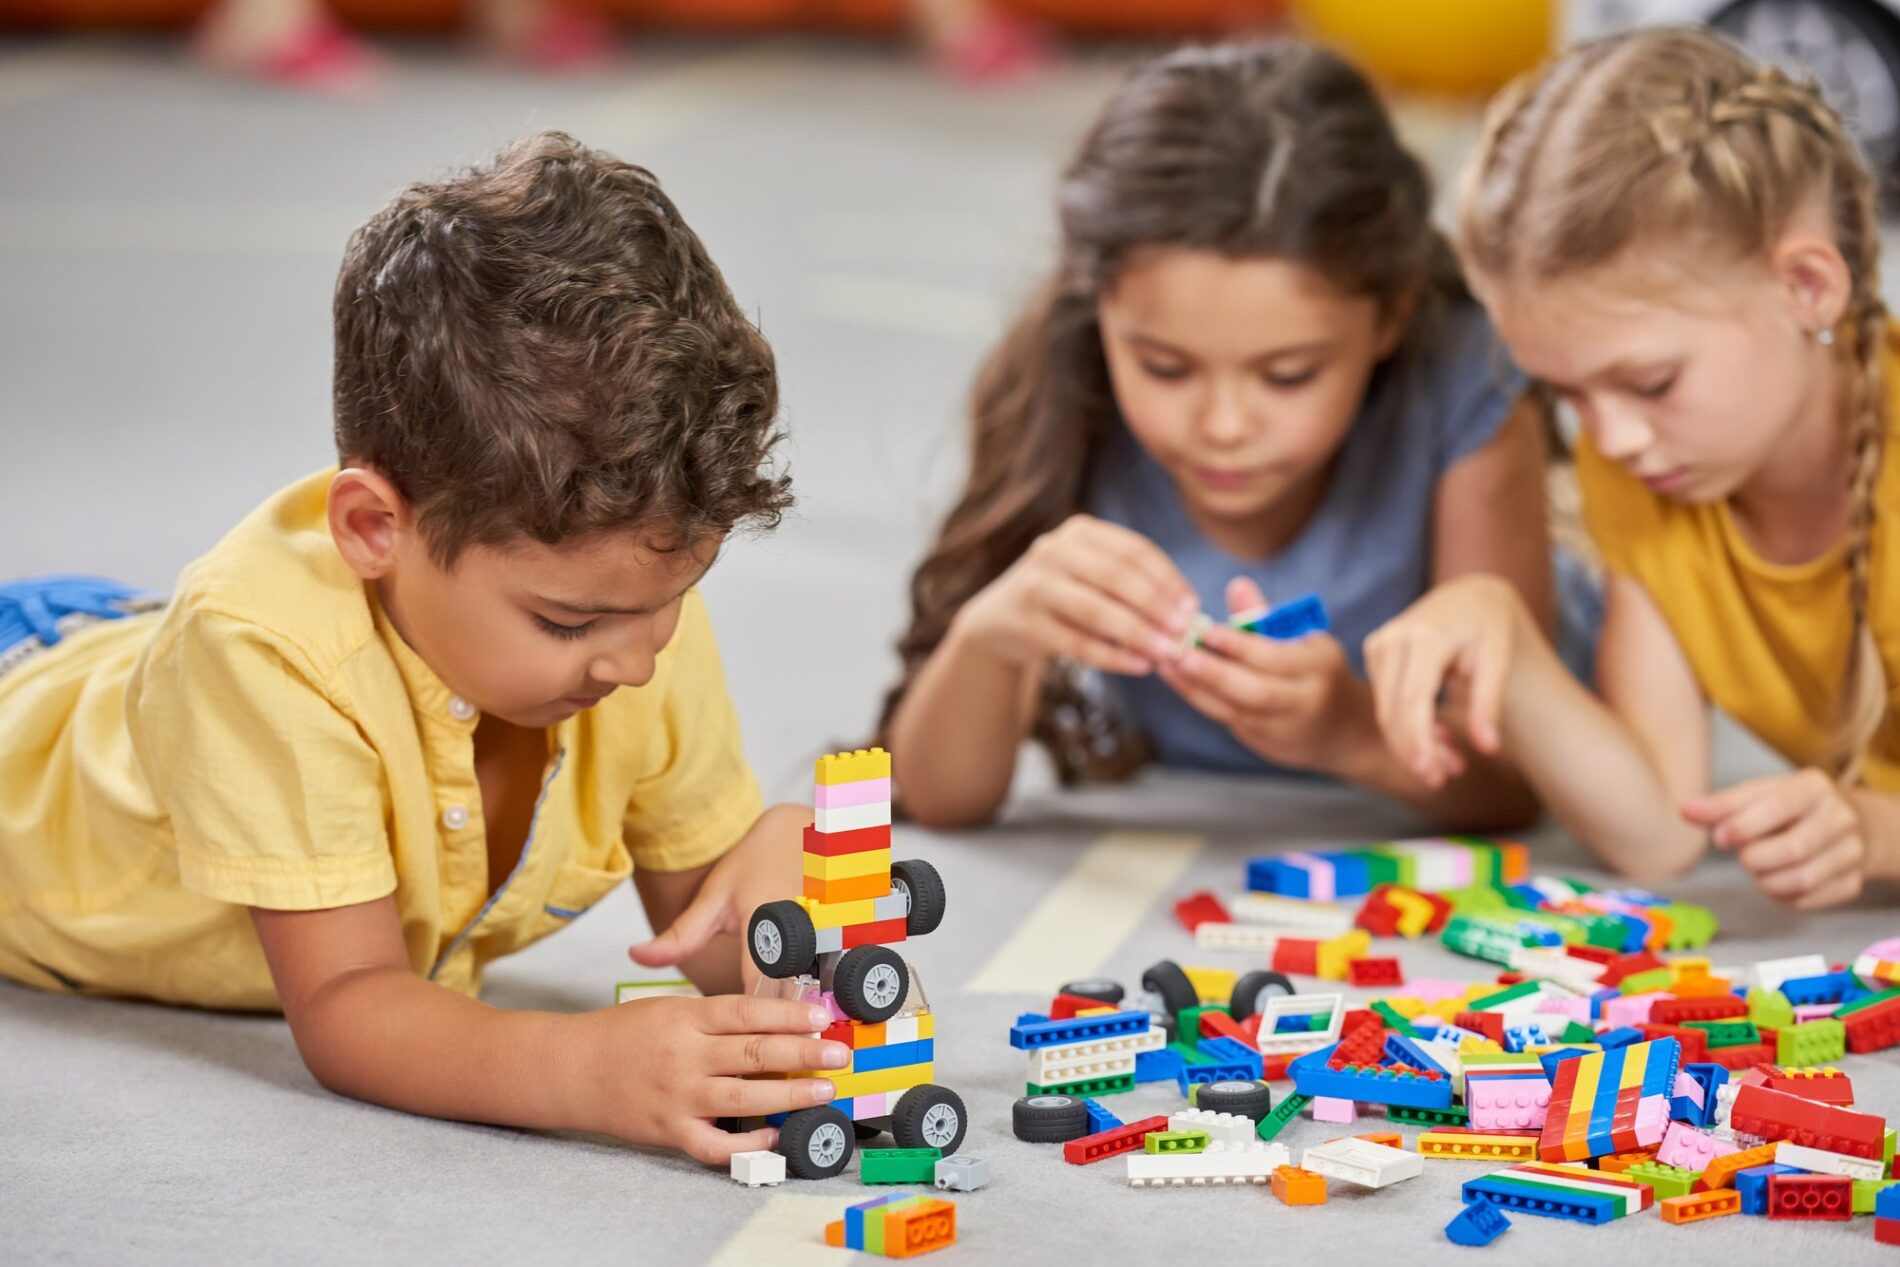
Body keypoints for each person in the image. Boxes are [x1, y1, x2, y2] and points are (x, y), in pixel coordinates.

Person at [0, 132, 849, 1164]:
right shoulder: (259, 647)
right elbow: (349, 1004)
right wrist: (584, 1067)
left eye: (674, 599)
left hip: (121, 648)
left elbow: (717, 946)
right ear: (373, 529)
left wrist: (792, 901)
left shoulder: (632, 598)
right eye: (569, 625)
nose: (635, 662)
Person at [881, 41, 1552, 830]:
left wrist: (1349, 729)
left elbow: (1515, 781)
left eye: (1288, 375)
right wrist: (992, 637)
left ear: (1391, 318)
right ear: (1100, 313)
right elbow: (934, 798)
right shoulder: (1067, 384)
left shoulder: (1469, 385)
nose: (1224, 428)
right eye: (1165, 368)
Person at [1368, 27, 1900, 909]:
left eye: (1651, 381)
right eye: (1565, 392)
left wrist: (1874, 830)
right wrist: (1500, 624)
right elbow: (1659, 829)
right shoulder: (1654, 473)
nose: (1607, 438)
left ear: (1808, 286)